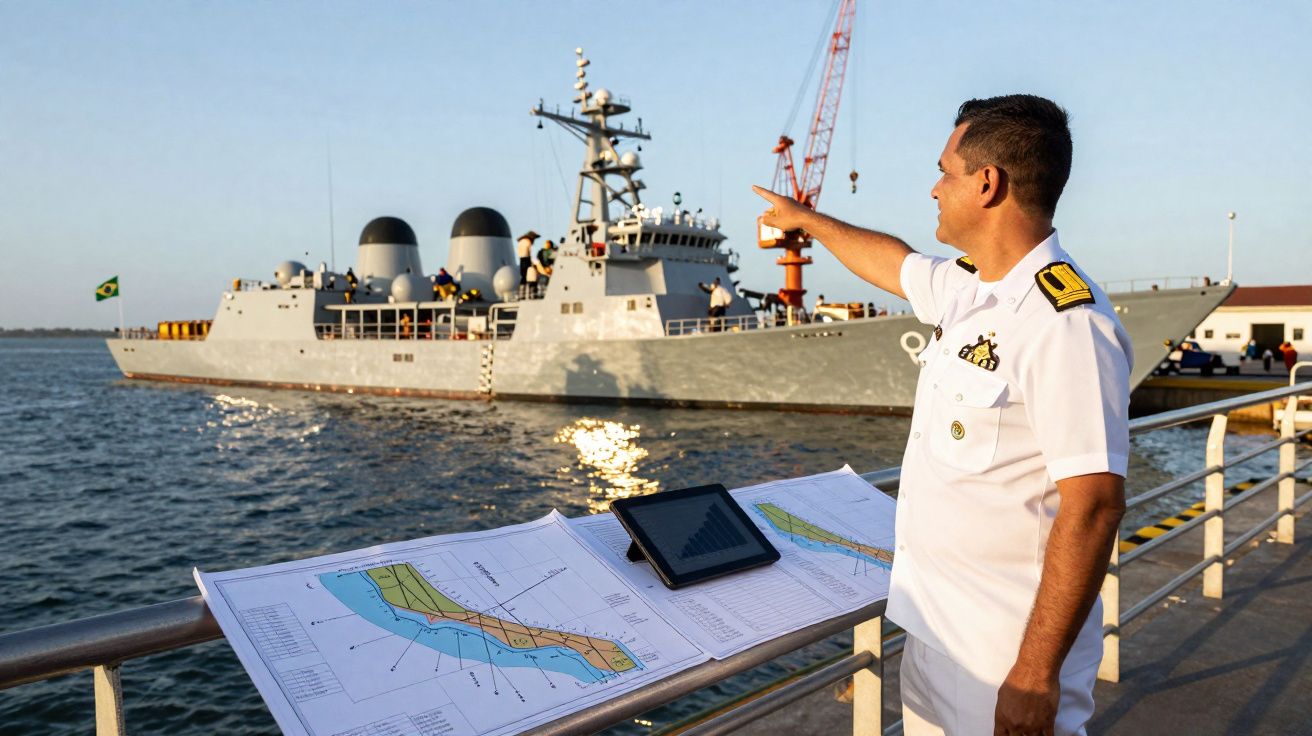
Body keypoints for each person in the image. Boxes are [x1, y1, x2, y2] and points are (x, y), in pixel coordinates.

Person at [755, 94, 1127, 735]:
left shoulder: (1065, 323)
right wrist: (806, 221)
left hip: (1003, 658)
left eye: (945, 172)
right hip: (934, 632)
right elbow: (893, 263)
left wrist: (1035, 675)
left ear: (987, 184)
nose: (934, 188)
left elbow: (1094, 505)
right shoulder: (972, 287)